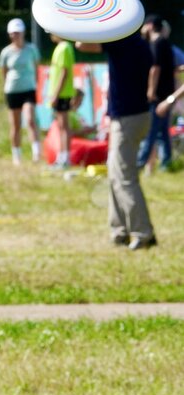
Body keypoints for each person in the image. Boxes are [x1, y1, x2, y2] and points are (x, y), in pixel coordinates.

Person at [76, 33, 157, 250]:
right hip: (138, 115)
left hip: (126, 118)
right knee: (115, 173)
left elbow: (82, 43)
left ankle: (143, 233)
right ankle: (119, 230)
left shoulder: (121, 41)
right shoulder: (141, 43)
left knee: (125, 178)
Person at [0, 18, 41, 165]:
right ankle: (16, 155)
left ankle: (36, 153)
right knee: (15, 125)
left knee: (30, 119)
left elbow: (37, 68)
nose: (15, 36)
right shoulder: (6, 52)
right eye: (13, 33)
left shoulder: (31, 49)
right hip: (12, 90)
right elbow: (3, 71)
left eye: (18, 33)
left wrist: (35, 83)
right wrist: (7, 86)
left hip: (28, 89)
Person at [137, 17, 175, 171]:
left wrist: (150, 90)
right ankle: (167, 163)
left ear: (150, 26)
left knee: (150, 131)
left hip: (158, 95)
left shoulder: (157, 43)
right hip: (167, 92)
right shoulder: (166, 43)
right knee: (163, 132)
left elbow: (155, 68)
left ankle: (139, 163)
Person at [47, 33, 75, 168]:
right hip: (60, 93)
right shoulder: (61, 47)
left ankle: (65, 158)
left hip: (63, 94)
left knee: (64, 126)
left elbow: (64, 72)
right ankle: (62, 157)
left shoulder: (64, 47)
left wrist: (56, 95)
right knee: (61, 126)